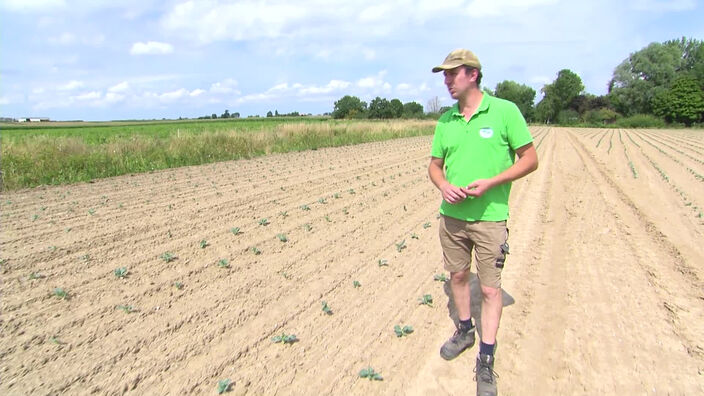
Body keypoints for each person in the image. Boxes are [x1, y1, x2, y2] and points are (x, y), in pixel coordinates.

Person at [428, 49, 538, 396]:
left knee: (490, 289)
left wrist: (492, 182)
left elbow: (530, 159)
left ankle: (486, 360)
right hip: (453, 219)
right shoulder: (446, 120)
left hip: (491, 219)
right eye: (444, 76)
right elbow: (434, 165)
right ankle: (464, 330)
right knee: (458, 275)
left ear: (472, 74)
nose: (446, 81)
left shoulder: (504, 111)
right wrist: (444, 185)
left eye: (452, 74)